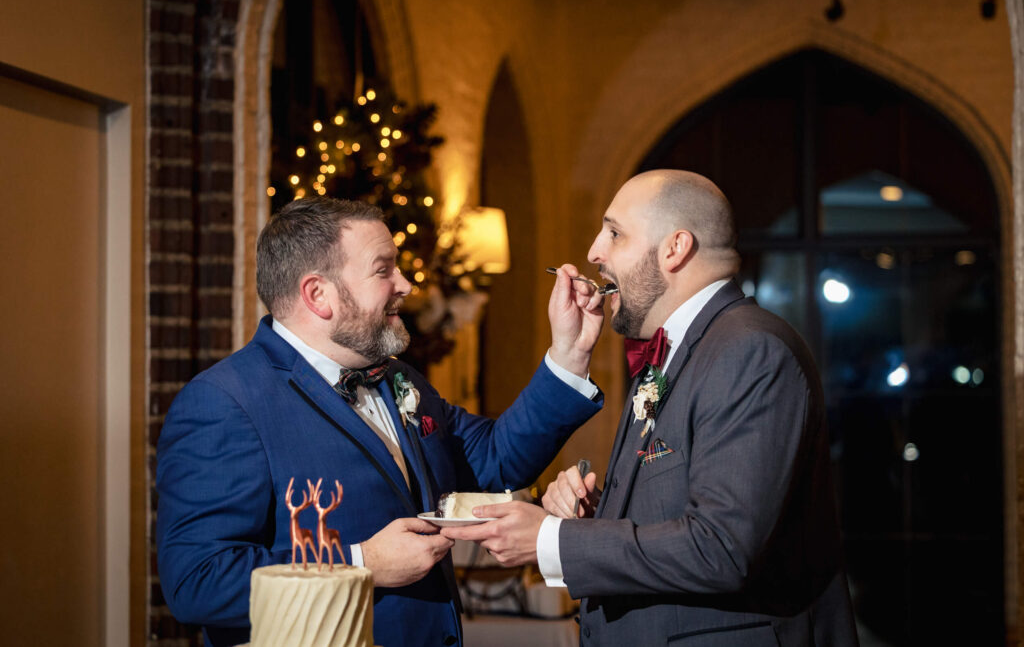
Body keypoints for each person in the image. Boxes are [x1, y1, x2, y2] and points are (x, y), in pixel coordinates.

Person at [156, 197, 605, 647]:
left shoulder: (397, 379)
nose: (406, 284)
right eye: (383, 269)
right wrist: (360, 562)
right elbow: (198, 581)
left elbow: (493, 459)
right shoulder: (225, 402)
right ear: (318, 294)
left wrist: (570, 354)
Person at [444, 170, 859, 646]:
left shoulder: (751, 350)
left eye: (615, 233)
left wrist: (551, 541)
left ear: (675, 248)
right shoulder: (676, 352)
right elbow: (682, 509)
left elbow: (722, 548)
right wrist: (590, 516)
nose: (594, 252)